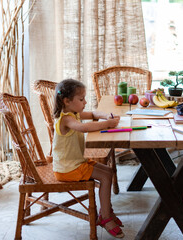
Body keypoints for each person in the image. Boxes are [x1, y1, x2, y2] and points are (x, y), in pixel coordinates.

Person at [52, 79, 124, 238]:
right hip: (67, 169)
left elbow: (93, 114)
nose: (85, 102)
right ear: (67, 101)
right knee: (106, 177)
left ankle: (106, 210)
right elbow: (83, 127)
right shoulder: (66, 119)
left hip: (76, 163)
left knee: (108, 171)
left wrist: (106, 116)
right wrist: (107, 124)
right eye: (81, 99)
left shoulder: (73, 113)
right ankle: (105, 217)